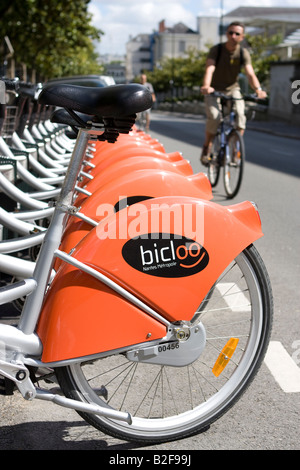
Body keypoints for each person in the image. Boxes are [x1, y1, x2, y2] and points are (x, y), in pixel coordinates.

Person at [200, 21, 267, 166]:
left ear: (242, 37)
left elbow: (250, 74)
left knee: (240, 115)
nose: (233, 36)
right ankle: (207, 145)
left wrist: (258, 90)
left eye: (237, 34)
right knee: (215, 117)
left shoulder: (243, 53)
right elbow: (209, 69)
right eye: (230, 33)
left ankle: (235, 148)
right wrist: (206, 86)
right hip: (213, 89)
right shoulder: (216, 50)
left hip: (233, 88)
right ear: (226, 34)